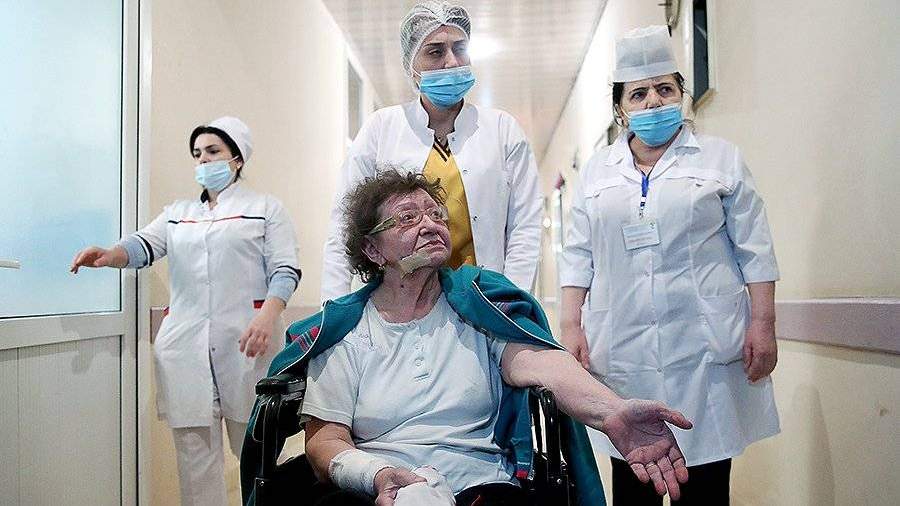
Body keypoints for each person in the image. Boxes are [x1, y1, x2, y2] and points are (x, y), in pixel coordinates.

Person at [242, 170, 693, 506]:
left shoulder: (477, 308)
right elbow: (325, 443)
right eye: (408, 218)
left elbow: (541, 364)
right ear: (373, 250)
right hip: (380, 487)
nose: (430, 224)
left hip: (480, 485)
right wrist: (376, 474)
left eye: (436, 214)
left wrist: (612, 411)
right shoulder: (346, 332)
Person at [558, 25, 781, 505]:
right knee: (633, 484)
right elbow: (578, 254)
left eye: (664, 88)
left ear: (682, 94)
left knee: (705, 488)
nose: (654, 101)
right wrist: (571, 325)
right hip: (624, 355)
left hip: (703, 353)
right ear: (621, 108)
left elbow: (755, 248)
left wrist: (763, 323)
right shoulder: (597, 172)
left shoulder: (721, 159)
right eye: (639, 94)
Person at [70, 116, 301, 506]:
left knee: (258, 459)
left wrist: (267, 315)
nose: (203, 160)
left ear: (237, 158)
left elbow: (285, 269)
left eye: (213, 151)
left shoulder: (265, 209)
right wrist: (110, 255)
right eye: (197, 154)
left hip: (248, 345)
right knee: (195, 466)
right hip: (186, 351)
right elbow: (144, 245)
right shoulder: (179, 213)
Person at [321, 0, 543, 301]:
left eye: (459, 48)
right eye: (435, 52)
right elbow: (344, 227)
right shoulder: (381, 128)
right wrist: (332, 308)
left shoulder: (502, 130)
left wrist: (513, 302)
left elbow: (525, 227)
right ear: (411, 66)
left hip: (485, 301)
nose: (451, 62)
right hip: (400, 302)